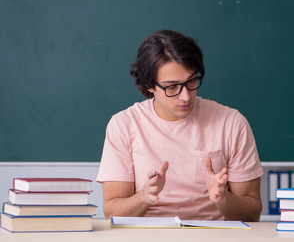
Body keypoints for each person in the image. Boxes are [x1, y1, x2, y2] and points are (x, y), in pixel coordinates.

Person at [96, 30, 263, 221]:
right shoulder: (124, 125)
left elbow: (252, 212)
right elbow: (111, 212)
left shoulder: (231, 123)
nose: (185, 96)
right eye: (172, 87)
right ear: (150, 85)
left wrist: (222, 199)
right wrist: (144, 198)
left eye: (191, 81)